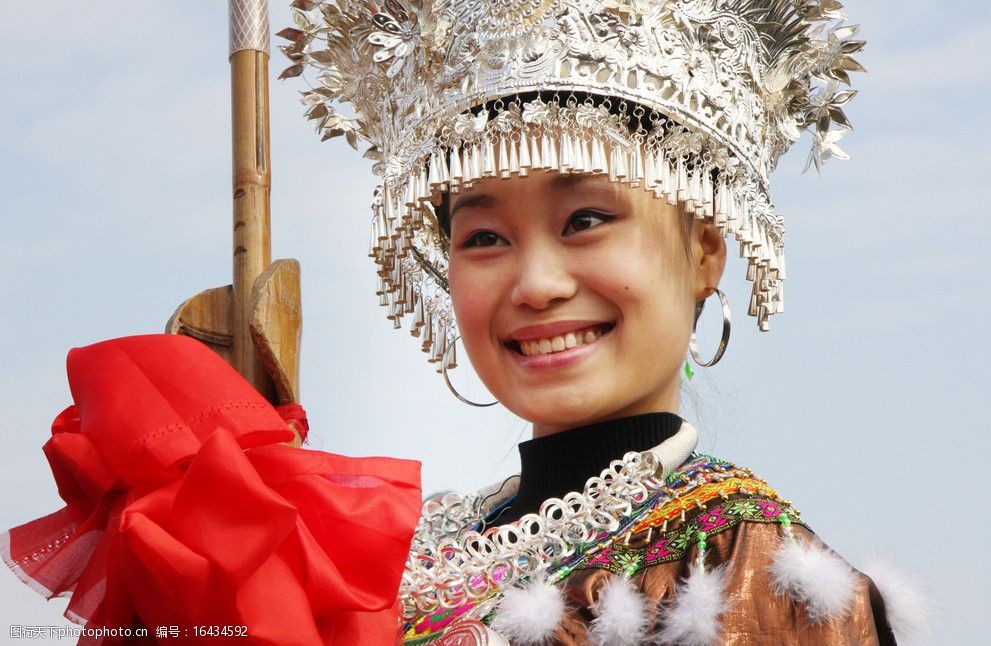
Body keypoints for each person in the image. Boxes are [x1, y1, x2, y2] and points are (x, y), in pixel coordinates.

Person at [278, 0, 930, 644]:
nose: (535, 284)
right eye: (482, 237)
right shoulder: (400, 555)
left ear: (704, 251)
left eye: (584, 220)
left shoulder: (752, 576)